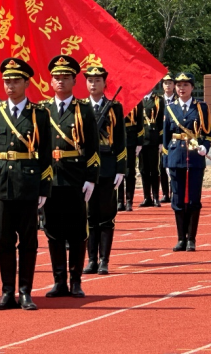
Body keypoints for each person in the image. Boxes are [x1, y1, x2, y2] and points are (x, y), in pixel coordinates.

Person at [0, 57, 52, 310]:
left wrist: (44, 188)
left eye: (15, 81)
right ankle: (7, 292)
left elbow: (46, 154)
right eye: (7, 81)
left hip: (28, 184)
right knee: (3, 239)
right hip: (2, 185)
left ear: (26, 83)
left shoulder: (39, 114)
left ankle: (25, 292)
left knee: (28, 241)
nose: (10, 86)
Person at [39, 55, 98, 298]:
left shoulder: (83, 109)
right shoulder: (42, 109)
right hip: (51, 178)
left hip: (75, 178)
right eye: (56, 77)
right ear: (50, 82)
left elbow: (92, 147)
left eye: (65, 77)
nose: (60, 81)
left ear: (75, 81)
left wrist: (91, 178)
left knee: (76, 232)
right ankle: (59, 281)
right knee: (53, 232)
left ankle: (76, 281)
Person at [83, 62, 125, 275]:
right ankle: (91, 259)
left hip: (107, 165)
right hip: (86, 167)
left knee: (106, 216)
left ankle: (104, 260)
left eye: (97, 80)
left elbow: (120, 139)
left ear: (104, 83)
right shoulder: (80, 107)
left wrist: (121, 168)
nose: (93, 84)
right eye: (90, 80)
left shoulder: (114, 107)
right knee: (90, 216)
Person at [163, 72, 211, 251]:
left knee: (193, 198)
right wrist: (166, 161)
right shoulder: (170, 108)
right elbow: (166, 137)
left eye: (185, 85)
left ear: (192, 87)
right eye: (179, 85)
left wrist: (205, 146)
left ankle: (191, 238)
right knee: (177, 198)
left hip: (195, 157)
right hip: (176, 156)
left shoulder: (201, 107)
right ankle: (180, 238)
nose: (181, 88)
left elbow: (208, 133)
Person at [139, 86, 164, 206]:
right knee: (143, 169)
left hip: (153, 138)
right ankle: (146, 197)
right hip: (141, 139)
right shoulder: (137, 99)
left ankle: (155, 197)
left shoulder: (158, 100)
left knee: (154, 169)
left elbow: (161, 121)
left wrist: (161, 141)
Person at [118, 99, 142, 211]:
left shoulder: (136, 100)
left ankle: (129, 200)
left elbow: (140, 122)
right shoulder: (114, 101)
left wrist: (139, 142)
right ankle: (119, 200)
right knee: (118, 171)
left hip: (131, 139)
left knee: (130, 171)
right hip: (117, 140)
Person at [158, 74, 178, 203]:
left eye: (170, 83)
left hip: (174, 137)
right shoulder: (158, 101)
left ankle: (174, 192)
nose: (168, 85)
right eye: (165, 83)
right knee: (162, 166)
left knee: (174, 165)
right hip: (161, 137)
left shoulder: (178, 99)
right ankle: (165, 193)